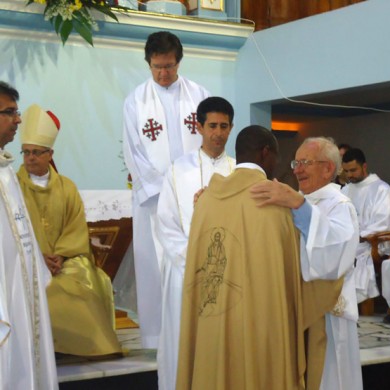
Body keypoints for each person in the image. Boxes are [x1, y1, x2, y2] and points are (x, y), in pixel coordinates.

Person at [176, 127, 341, 390]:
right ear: (267, 153)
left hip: (213, 317)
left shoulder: (206, 200)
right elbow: (305, 263)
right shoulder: (275, 200)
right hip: (260, 322)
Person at [250, 136, 362, 390]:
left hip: (326, 315)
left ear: (328, 168)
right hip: (292, 307)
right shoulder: (296, 199)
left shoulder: (339, 205)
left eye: (305, 162)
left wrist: (299, 206)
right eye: (296, 162)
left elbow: (334, 253)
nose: (297, 169)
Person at [123, 31, 210, 348]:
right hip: (155, 203)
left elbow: (210, 144)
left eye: (169, 66)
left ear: (179, 62)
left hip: (195, 199)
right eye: (157, 67)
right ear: (148, 63)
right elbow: (135, 153)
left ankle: (200, 332)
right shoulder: (136, 101)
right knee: (157, 268)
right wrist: (166, 192)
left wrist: (193, 188)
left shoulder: (200, 96)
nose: (163, 73)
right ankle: (159, 340)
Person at [16, 104, 122, 358]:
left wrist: (60, 255)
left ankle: (81, 347)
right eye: (26, 152)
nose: (30, 157)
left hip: (64, 260)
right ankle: (45, 350)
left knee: (83, 278)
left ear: (50, 153)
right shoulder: (12, 185)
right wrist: (38, 257)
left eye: (37, 152)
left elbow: (76, 226)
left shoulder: (67, 187)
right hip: (26, 260)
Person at [156, 96, 235, 389]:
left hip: (229, 274)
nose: (218, 133)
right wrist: (194, 260)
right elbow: (167, 223)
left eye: (224, 126)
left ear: (231, 128)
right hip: (186, 271)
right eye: (212, 125)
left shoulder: (238, 171)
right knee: (184, 341)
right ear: (199, 127)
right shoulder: (178, 170)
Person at [0, 82, 58, 389]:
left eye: (16, 112)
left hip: (22, 288)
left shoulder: (6, 171)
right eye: (9, 112)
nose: (17, 120)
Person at [341, 148, 390, 303]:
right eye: (346, 171)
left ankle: (355, 301)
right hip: (350, 240)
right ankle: (336, 300)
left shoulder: (381, 189)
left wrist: (357, 236)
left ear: (364, 166)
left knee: (354, 253)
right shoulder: (345, 190)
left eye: (353, 170)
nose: (349, 175)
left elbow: (384, 223)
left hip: (374, 243)